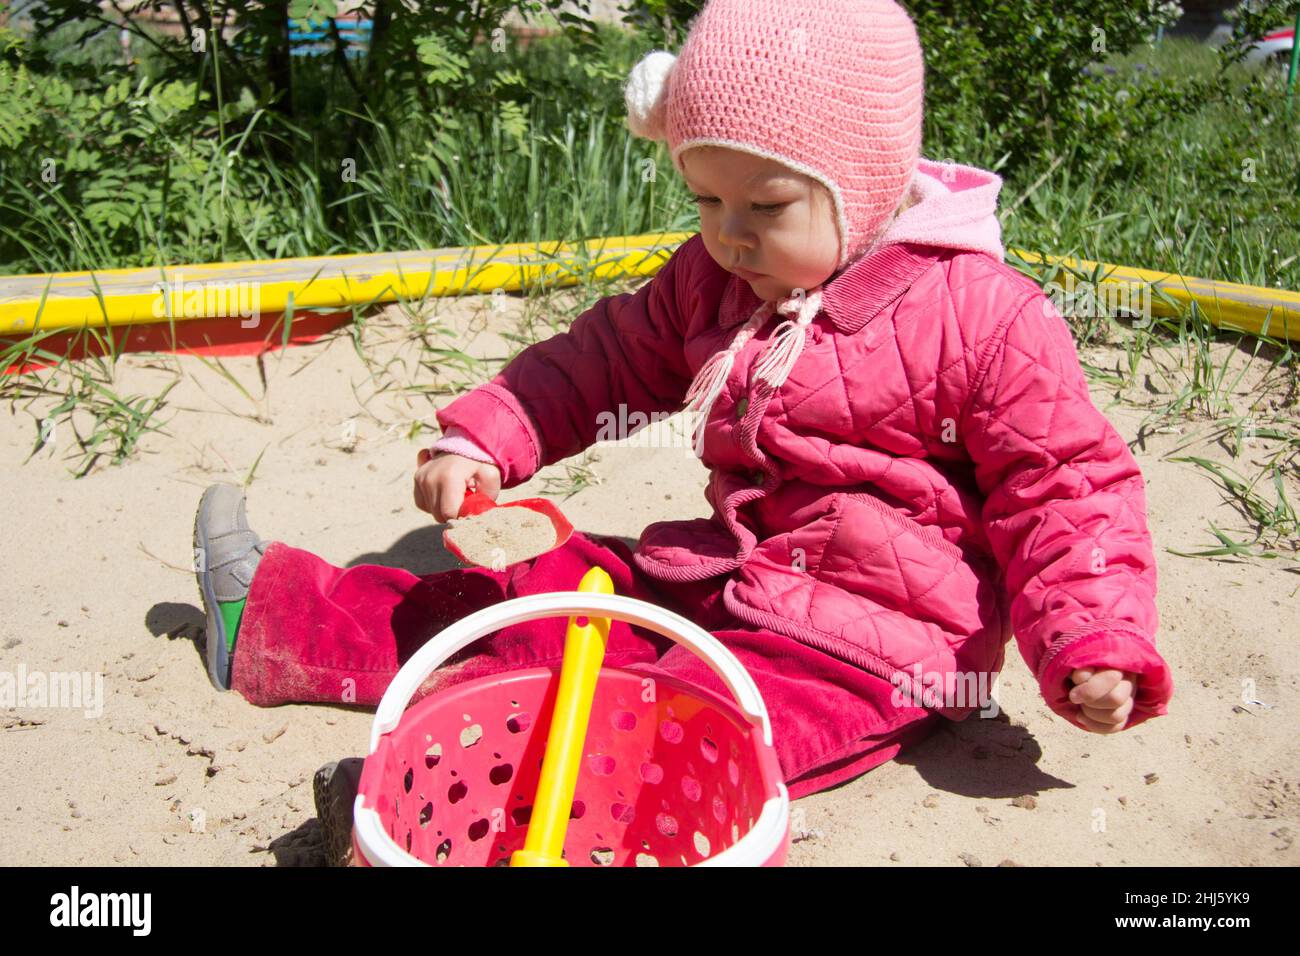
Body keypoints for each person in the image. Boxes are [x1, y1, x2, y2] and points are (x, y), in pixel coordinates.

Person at [193, 0, 1173, 865]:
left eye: (764, 206)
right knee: (532, 585)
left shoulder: (980, 316)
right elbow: (607, 360)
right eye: (704, 199)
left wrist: (1089, 636)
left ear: (866, 182)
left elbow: (1063, 483)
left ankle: (419, 798)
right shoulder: (722, 277)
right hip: (721, 573)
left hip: (868, 645)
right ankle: (276, 621)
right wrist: (489, 433)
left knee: (673, 712)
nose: (727, 234)